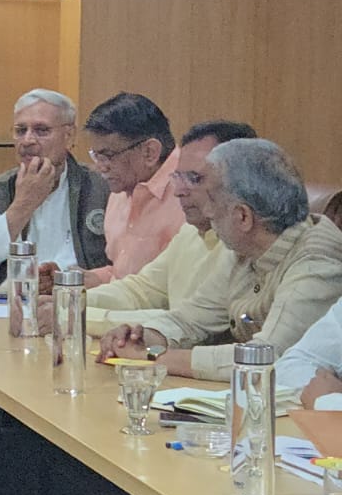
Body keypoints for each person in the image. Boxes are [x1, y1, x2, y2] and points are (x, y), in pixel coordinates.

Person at [98, 139, 342, 381]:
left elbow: (265, 358)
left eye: (212, 200)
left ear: (243, 217)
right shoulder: (245, 250)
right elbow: (190, 320)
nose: (206, 212)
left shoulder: (317, 263)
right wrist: (143, 338)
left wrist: (154, 357)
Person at [80, 120, 255, 337]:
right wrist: (70, 300)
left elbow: (187, 323)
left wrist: (74, 314)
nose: (178, 191)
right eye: (178, 177)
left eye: (195, 178)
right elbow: (141, 290)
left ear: (239, 181)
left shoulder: (245, 246)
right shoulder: (190, 232)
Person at [0, 89, 110, 284]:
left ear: (69, 136)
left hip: (82, 296)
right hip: (12, 298)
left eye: (41, 130)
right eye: (20, 130)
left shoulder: (103, 186)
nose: (27, 140)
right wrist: (22, 206)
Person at [80, 93, 184, 286]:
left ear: (150, 152)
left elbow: (182, 289)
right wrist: (86, 280)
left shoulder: (191, 192)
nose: (100, 167)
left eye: (108, 156)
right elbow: (122, 273)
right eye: (96, 156)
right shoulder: (122, 188)